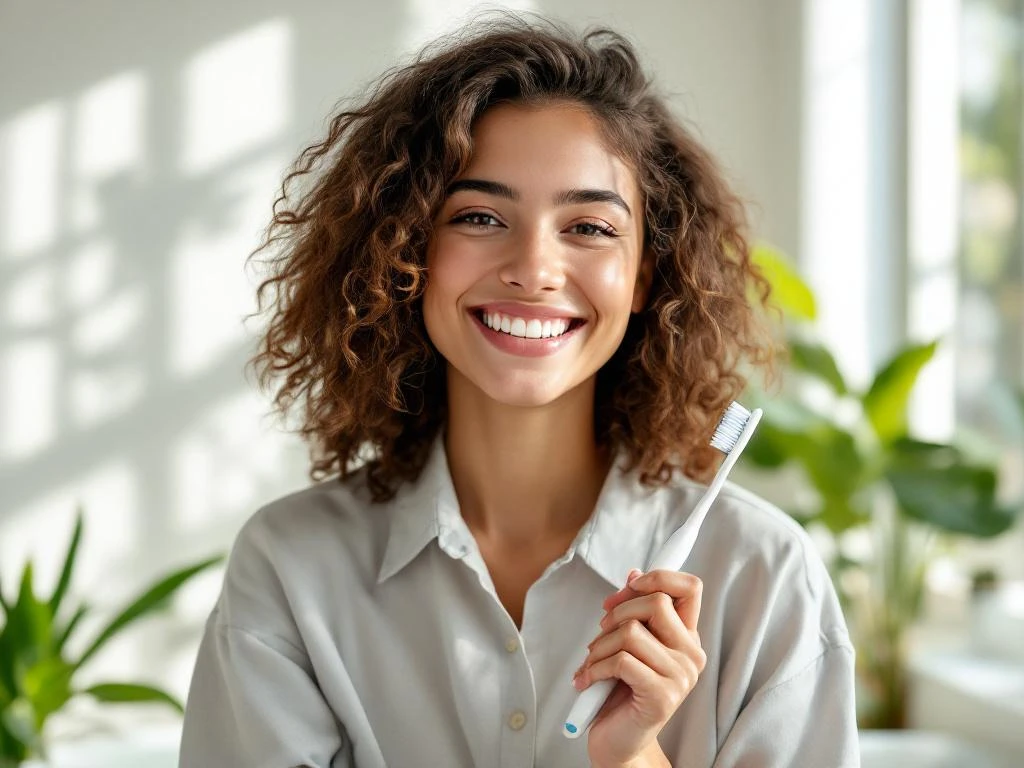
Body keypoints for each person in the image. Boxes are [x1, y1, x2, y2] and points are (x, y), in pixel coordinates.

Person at [179, 14, 858, 768]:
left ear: (645, 277)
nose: (533, 267)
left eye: (591, 227)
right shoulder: (291, 569)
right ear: (406, 255)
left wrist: (634, 757)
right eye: (478, 216)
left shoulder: (762, 576)